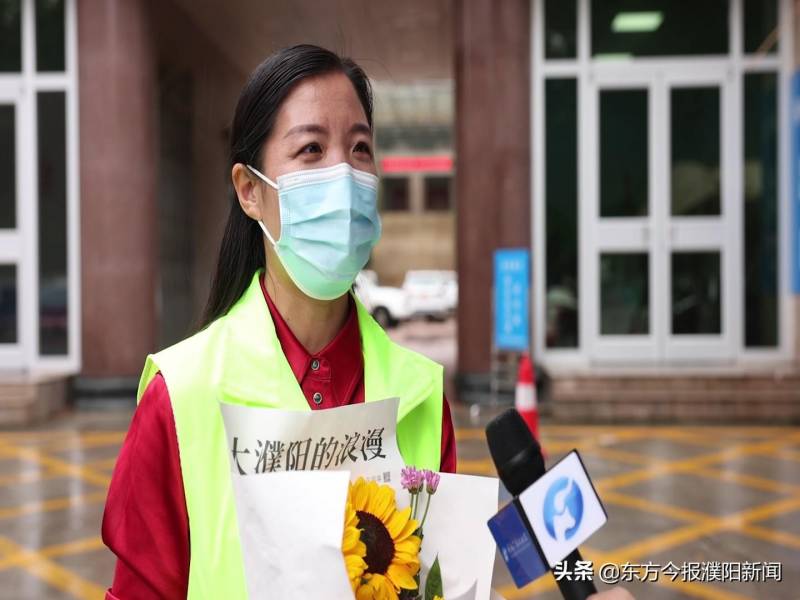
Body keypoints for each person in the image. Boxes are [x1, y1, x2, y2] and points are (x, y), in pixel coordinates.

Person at [102, 45, 456, 599]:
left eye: (360, 148)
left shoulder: (422, 395)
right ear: (250, 191)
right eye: (311, 149)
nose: (343, 174)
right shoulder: (182, 396)